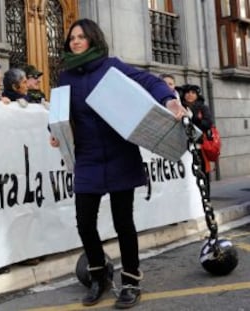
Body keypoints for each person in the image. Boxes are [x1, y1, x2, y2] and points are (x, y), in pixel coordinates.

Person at [49, 18, 186, 309]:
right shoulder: (65, 77)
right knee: (85, 223)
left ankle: (131, 281)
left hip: (119, 153)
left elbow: (147, 81)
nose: (75, 41)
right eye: (71, 37)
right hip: (87, 157)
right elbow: (61, 114)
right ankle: (98, 275)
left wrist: (170, 99)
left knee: (123, 222)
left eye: (81, 37)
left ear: (93, 40)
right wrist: (55, 133)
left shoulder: (111, 66)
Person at [180, 84, 213, 195]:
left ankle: (205, 198)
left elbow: (208, 124)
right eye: (187, 92)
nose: (190, 95)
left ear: (197, 95)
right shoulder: (179, 106)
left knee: (202, 173)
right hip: (183, 146)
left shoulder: (202, 108)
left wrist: (193, 118)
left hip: (199, 147)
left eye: (193, 93)